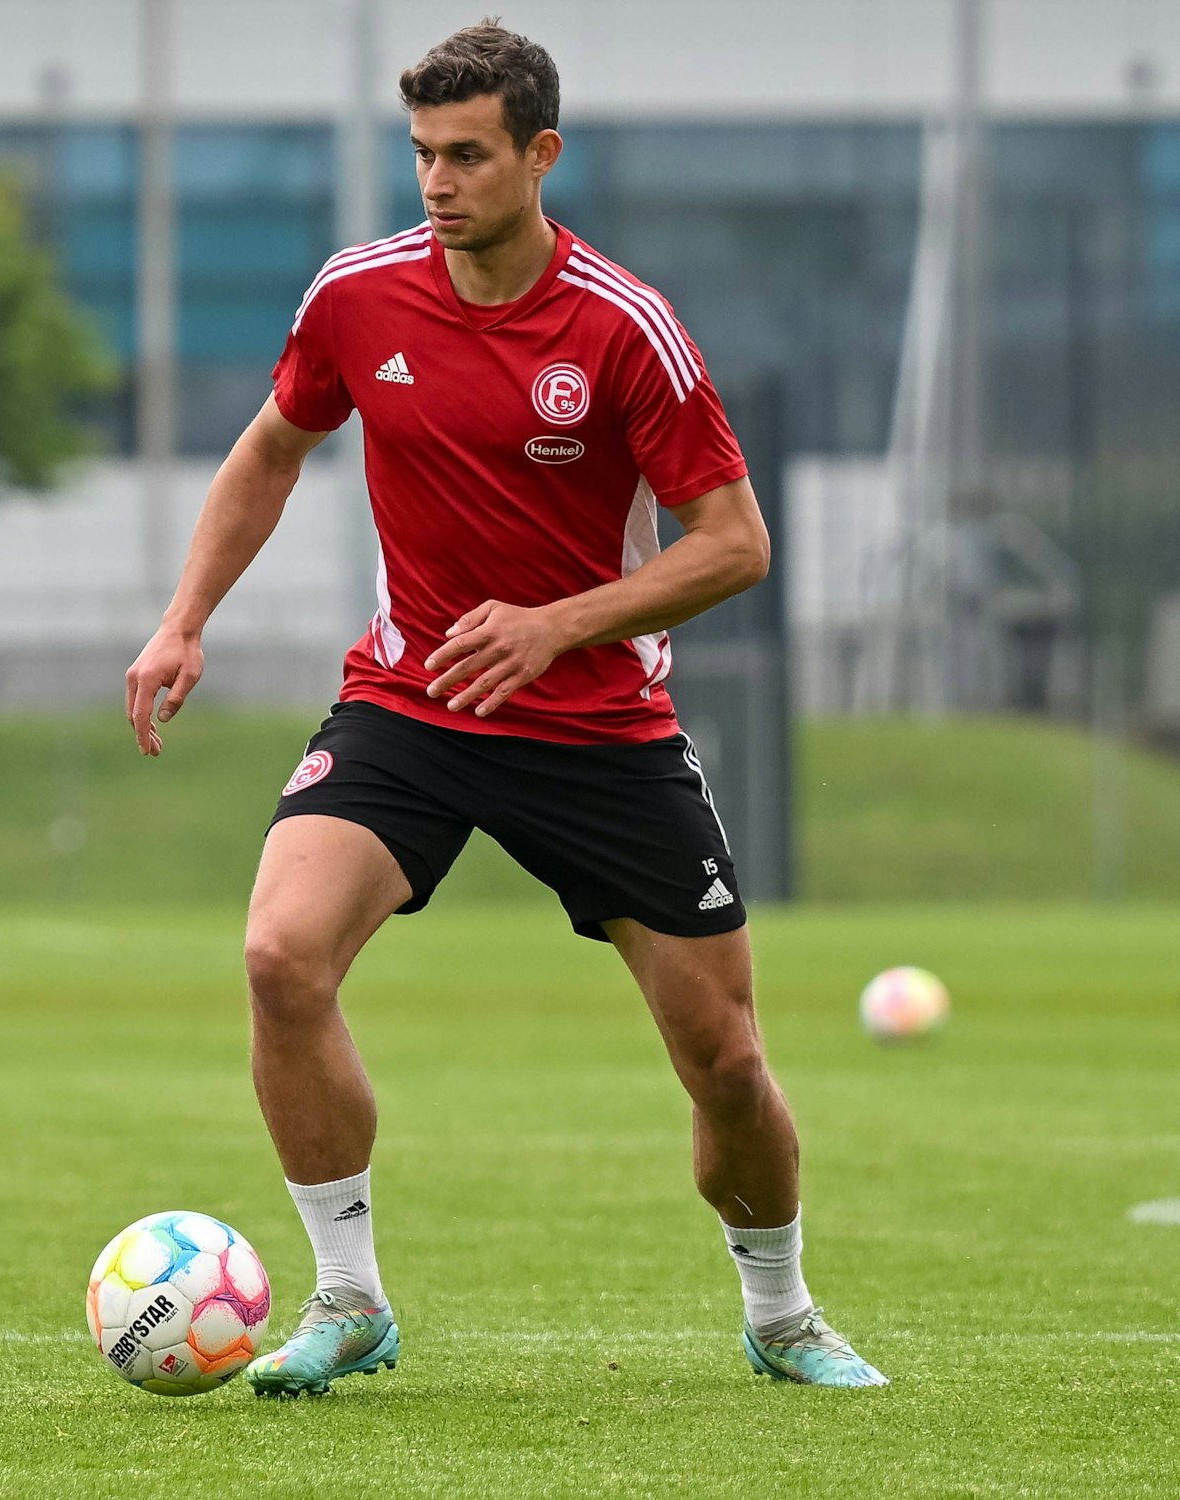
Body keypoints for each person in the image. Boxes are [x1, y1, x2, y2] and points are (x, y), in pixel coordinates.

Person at [125, 23, 885, 1393]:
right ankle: (348, 1298)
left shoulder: (623, 327)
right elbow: (272, 449)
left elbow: (734, 544)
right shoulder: (357, 296)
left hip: (599, 732)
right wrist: (184, 619)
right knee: (279, 958)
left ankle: (780, 1313)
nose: (437, 181)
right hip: (410, 705)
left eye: (467, 155)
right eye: (422, 153)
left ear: (541, 155)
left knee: (723, 1058)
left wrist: (556, 625)